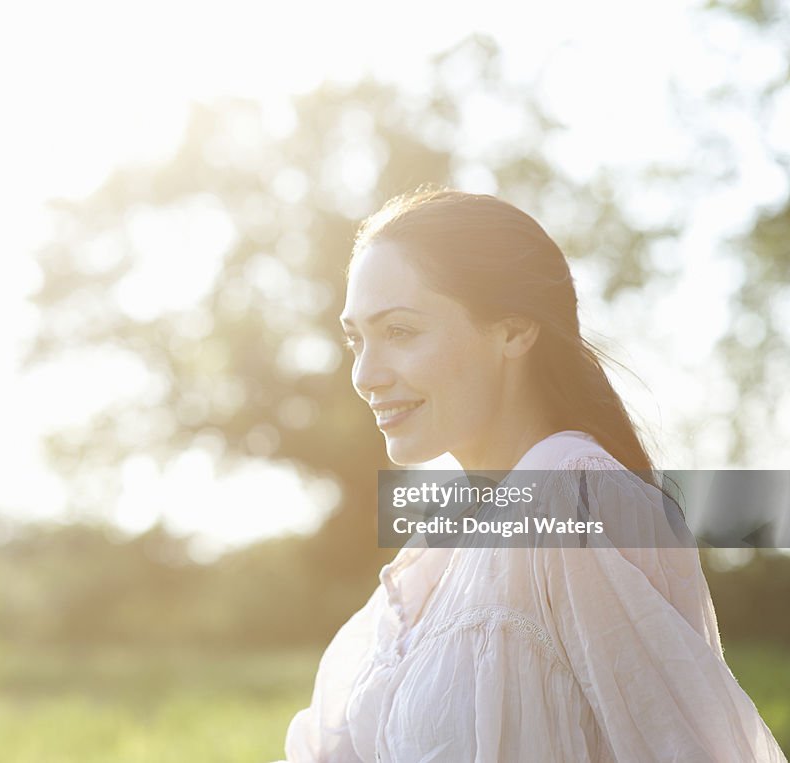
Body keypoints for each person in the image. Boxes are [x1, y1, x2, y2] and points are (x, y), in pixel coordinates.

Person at [275, 188, 786, 762]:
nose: (366, 374)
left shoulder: (568, 493)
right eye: (355, 339)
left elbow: (685, 748)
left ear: (515, 331)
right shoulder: (449, 535)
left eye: (399, 332)